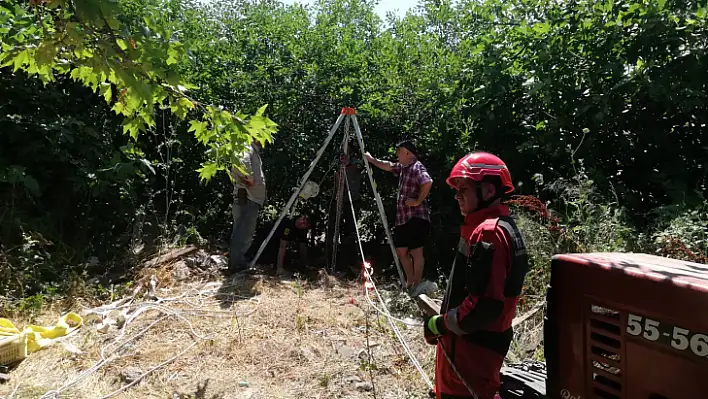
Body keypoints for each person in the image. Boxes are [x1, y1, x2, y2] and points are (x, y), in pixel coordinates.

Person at [423, 152, 530, 399]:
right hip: (473, 348)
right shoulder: (496, 227)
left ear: (489, 191)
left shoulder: (489, 233)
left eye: (464, 189)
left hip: (471, 350)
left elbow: (483, 306)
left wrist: (438, 324)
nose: (457, 195)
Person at [365, 139, 435, 296]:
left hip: (416, 217)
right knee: (401, 251)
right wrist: (371, 159)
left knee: (416, 252)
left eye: (399, 152)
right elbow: (388, 165)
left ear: (408, 153)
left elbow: (427, 181)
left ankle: (416, 286)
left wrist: (417, 201)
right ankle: (411, 284)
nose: (397, 155)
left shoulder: (417, 167)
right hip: (403, 218)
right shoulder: (404, 167)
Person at [326, 141, 364, 276]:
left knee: (349, 234)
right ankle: (331, 265)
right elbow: (336, 179)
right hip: (339, 200)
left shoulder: (356, 161)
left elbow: (357, 168)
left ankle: (349, 265)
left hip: (352, 201)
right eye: (342, 147)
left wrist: (346, 164)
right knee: (333, 231)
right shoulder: (338, 162)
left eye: (346, 148)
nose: (343, 150)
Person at [229, 140, 266, 272]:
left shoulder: (252, 150)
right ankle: (237, 265)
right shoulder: (246, 146)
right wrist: (249, 179)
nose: (266, 140)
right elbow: (242, 162)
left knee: (245, 232)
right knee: (242, 232)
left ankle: (239, 262)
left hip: (251, 198)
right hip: (247, 197)